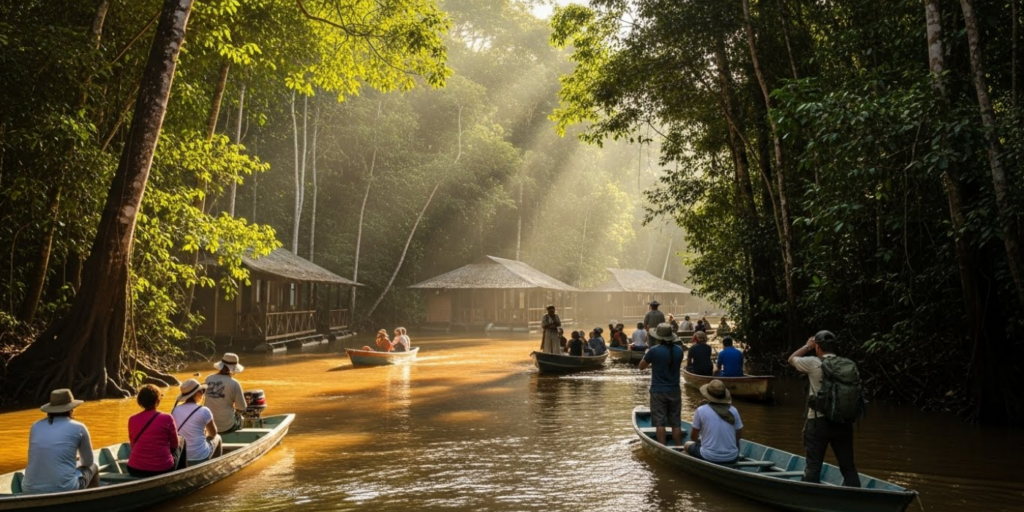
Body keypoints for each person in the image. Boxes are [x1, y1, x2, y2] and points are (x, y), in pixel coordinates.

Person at [789, 330, 861, 487]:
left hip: (818, 422)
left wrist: (807, 346)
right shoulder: (850, 365)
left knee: (813, 467)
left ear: (818, 347)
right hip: (844, 421)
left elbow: (792, 359)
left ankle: (809, 501)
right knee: (848, 467)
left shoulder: (813, 363)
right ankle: (857, 501)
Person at [22, 389, 99, 494]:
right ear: (71, 410)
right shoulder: (79, 427)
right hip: (65, 488)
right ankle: (91, 501)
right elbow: (87, 462)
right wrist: (75, 462)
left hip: (29, 489)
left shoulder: (35, 426)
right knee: (93, 467)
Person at [639, 323, 684, 445]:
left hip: (658, 391)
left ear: (658, 337)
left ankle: (662, 446)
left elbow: (641, 367)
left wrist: (648, 355)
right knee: (676, 422)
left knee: (659, 422)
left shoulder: (654, 351)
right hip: (675, 390)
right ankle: (679, 446)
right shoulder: (679, 350)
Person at [127, 384, 184, 477]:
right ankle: (182, 475)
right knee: (181, 439)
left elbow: (133, 445)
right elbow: (175, 445)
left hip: (134, 469)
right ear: (157, 401)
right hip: (162, 469)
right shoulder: (167, 418)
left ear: (140, 401)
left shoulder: (132, 419)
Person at [682, 379, 743, 463]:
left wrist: (701, 442)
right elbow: (738, 437)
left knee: (687, 445)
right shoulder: (734, 410)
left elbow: (693, 437)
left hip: (708, 456)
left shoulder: (701, 410)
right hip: (732, 458)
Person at [172, 379, 223, 465]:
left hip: (182, 456)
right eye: (202, 392)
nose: (203, 394)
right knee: (218, 437)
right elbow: (213, 433)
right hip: (200, 456)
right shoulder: (204, 411)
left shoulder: (175, 410)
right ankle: (216, 465)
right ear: (197, 393)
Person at [205, 352, 247, 435]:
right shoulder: (234, 383)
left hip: (208, 425)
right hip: (227, 426)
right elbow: (242, 408)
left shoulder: (208, 378)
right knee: (241, 417)